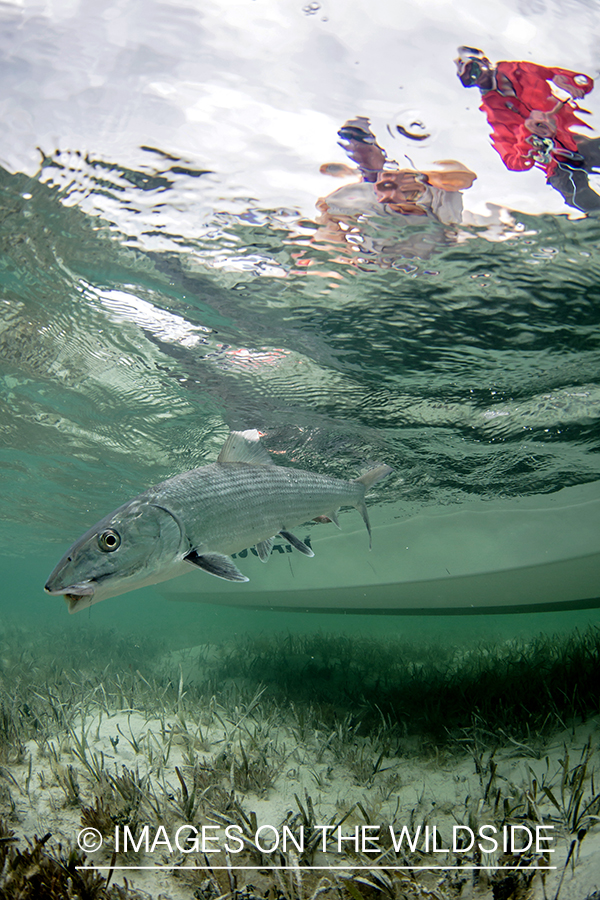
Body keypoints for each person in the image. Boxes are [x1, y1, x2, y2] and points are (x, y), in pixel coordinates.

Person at [454, 47, 600, 212]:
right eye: (469, 80)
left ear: (485, 62)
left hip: (577, 142)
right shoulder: (494, 114)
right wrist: (528, 136)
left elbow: (584, 81)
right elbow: (513, 162)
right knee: (583, 202)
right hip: (556, 166)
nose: (477, 79)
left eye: (474, 70)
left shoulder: (522, 70)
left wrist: (568, 82)